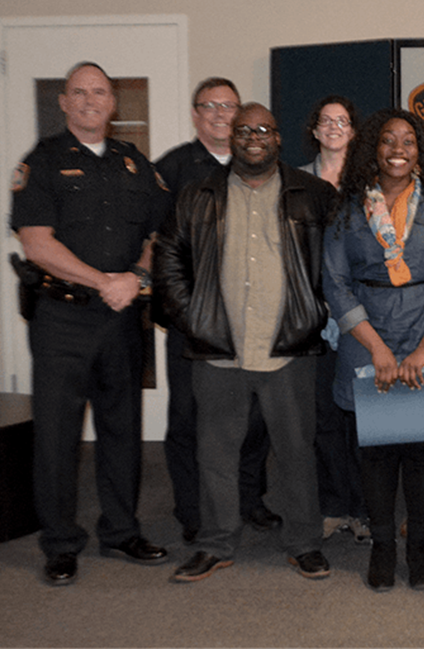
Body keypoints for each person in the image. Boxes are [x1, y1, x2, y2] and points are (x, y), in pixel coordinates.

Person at [156, 103, 336, 583]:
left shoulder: (312, 193)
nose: (253, 137)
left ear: (279, 138)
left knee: (297, 451)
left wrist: (316, 313)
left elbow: (335, 264)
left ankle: (304, 542)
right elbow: (169, 257)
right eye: (243, 130)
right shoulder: (198, 194)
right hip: (220, 349)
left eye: (263, 129)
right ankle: (216, 543)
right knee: (214, 452)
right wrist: (193, 315)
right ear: (231, 137)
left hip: (289, 348)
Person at [11, 61, 171, 585]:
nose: (89, 101)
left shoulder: (133, 164)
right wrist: (104, 280)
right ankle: (59, 543)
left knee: (122, 428)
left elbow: (157, 235)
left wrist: (136, 278)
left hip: (121, 318)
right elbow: (36, 243)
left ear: (112, 102)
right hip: (61, 318)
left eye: (98, 92)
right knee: (56, 435)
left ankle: (121, 531)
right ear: (63, 102)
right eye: (78, 93)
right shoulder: (43, 162)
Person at [322, 108, 424, 591]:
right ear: (372, 149)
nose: (399, 149)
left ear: (420, 151)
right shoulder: (348, 210)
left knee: (423, 453)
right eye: (388, 140)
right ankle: (384, 545)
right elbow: (336, 285)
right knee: (378, 454)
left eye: (409, 140)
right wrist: (378, 350)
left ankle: (419, 545)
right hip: (370, 342)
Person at [156, 78, 282, 544]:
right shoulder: (172, 168)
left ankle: (250, 499)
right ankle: (194, 510)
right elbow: (158, 248)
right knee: (190, 420)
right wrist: (187, 313)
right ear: (195, 114)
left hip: (256, 322)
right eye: (209, 106)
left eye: (228, 106)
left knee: (254, 420)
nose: (219, 114)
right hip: (196, 324)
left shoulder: (266, 167)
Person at [298, 95, 369, 544]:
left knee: (364, 416)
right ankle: (332, 505)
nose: (334, 127)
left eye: (342, 121)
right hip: (312, 316)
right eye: (326, 120)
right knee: (323, 417)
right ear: (314, 129)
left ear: (354, 130)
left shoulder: (370, 184)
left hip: (362, 317)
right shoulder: (296, 182)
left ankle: (363, 509)